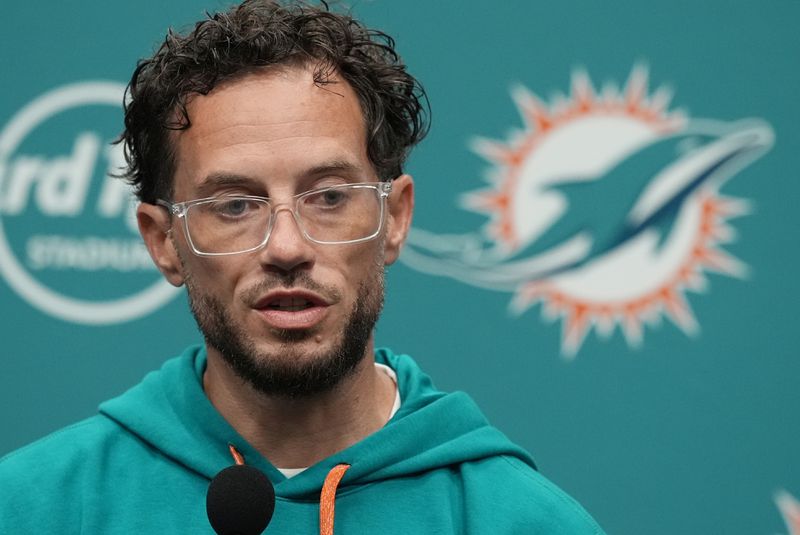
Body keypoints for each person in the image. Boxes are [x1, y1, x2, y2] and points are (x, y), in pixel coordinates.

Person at [0, 1, 606, 533]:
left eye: (329, 196)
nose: (287, 247)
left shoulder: (522, 521)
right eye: (234, 204)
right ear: (163, 241)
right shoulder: (32, 508)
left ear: (393, 218)